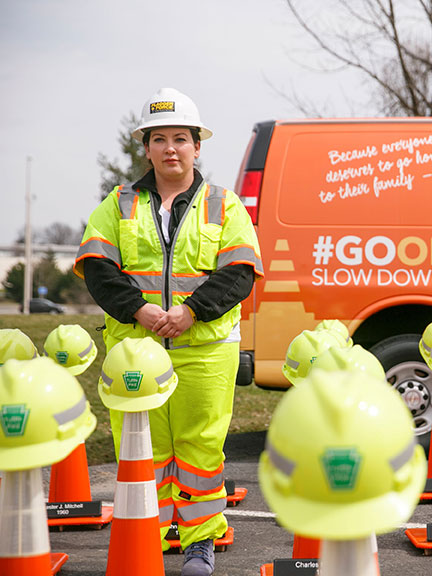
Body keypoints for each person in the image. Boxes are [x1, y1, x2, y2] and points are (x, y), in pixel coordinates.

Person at [75, 88, 263, 576]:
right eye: (160, 139)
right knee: (143, 449)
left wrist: (191, 312)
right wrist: (137, 310)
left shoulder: (225, 204)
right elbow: (96, 266)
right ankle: (149, 537)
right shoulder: (117, 204)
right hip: (135, 350)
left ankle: (199, 544)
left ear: (198, 146)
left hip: (205, 350)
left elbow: (240, 272)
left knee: (200, 447)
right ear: (146, 148)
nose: (171, 148)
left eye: (181, 138)